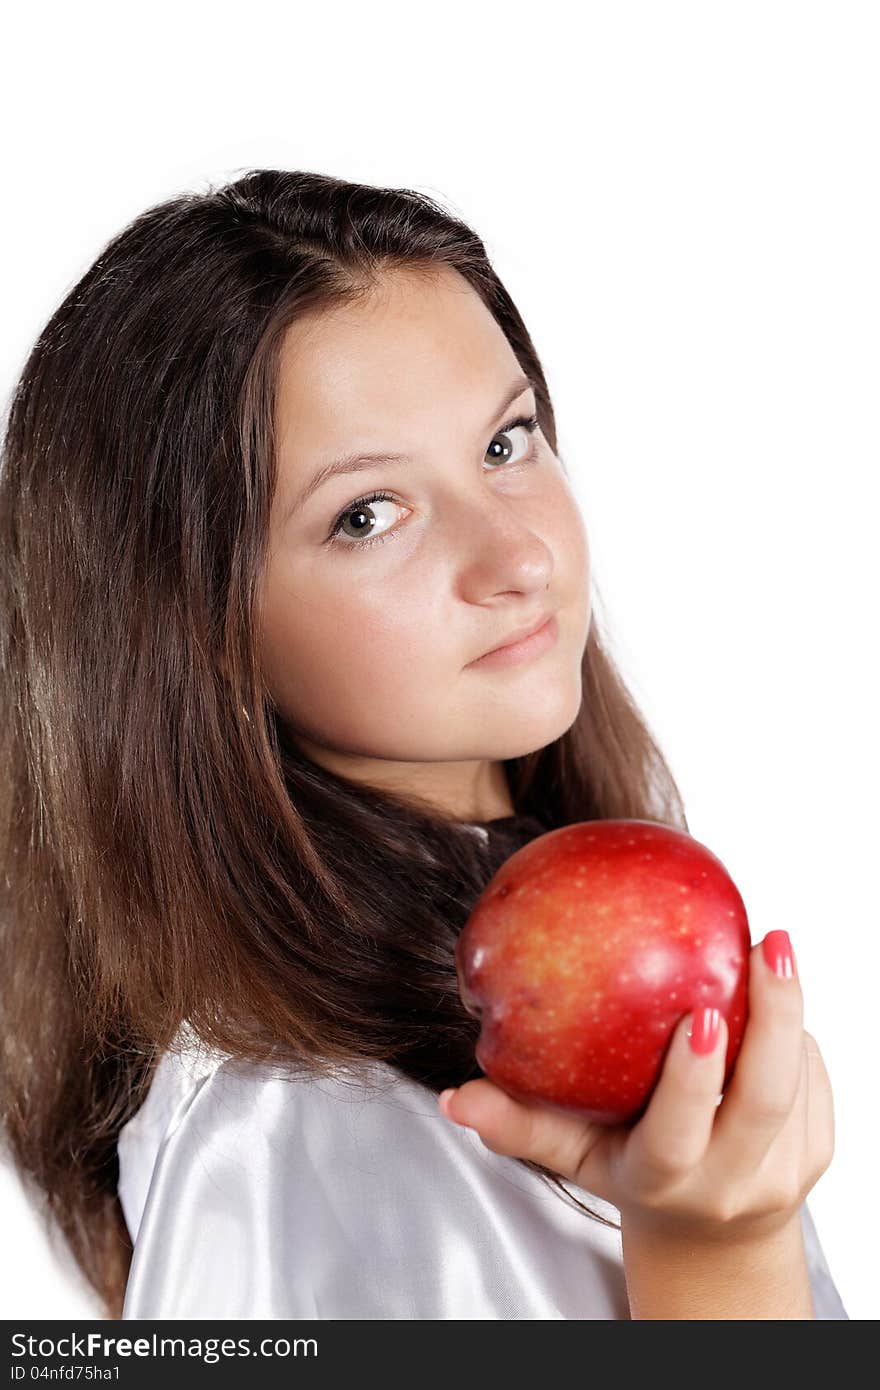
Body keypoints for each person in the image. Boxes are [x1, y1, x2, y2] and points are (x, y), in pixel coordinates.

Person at [0, 170, 848, 1320]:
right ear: (193, 636)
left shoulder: (553, 943)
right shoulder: (281, 1138)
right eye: (367, 514)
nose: (519, 558)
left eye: (507, 442)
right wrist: (718, 1260)